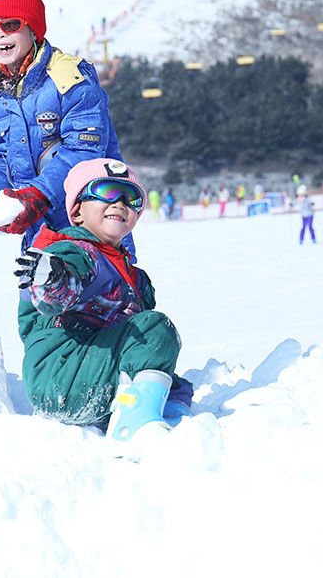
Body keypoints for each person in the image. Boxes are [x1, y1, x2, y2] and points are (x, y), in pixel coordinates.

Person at [14, 158, 191, 443]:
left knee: (174, 380)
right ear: (77, 211)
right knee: (154, 329)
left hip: (91, 372)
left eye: (131, 198)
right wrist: (54, 279)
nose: (119, 203)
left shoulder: (135, 277)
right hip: (62, 372)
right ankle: (135, 426)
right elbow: (56, 294)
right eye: (106, 191)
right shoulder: (74, 251)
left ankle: (162, 412)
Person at [0, 0, 128, 253]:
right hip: (38, 233)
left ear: (33, 28)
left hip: (90, 227)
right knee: (33, 292)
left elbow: (85, 149)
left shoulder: (71, 79)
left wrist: (38, 195)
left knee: (96, 292)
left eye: (9, 24)